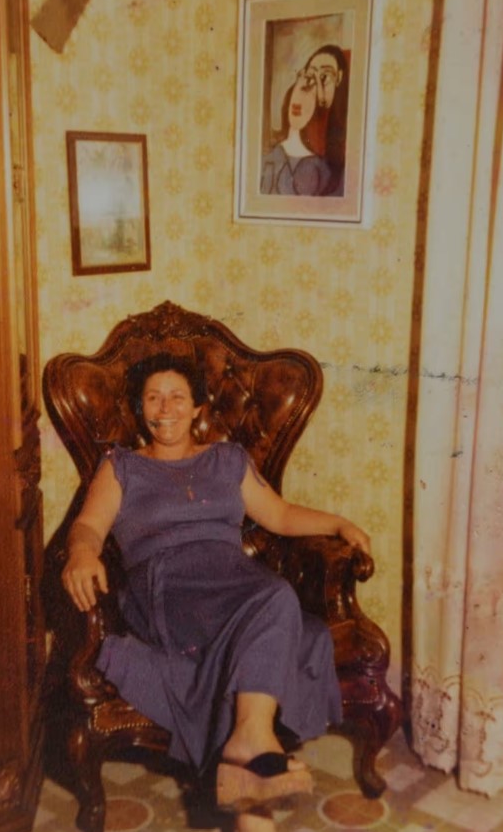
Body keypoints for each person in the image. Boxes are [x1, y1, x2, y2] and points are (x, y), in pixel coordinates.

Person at [62, 353, 371, 832]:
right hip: (166, 585)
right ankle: (253, 743)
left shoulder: (228, 459)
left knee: (279, 604)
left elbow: (280, 514)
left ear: (198, 407)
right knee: (277, 603)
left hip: (231, 578)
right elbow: (88, 526)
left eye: (177, 397)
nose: (166, 408)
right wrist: (82, 553)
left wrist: (339, 524)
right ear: (140, 408)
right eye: (153, 398)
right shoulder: (121, 467)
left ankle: (250, 769)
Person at [260, 44, 349, 198]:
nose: (313, 83)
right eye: (309, 75)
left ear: (339, 79)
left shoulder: (331, 170)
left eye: (324, 76)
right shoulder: (270, 157)